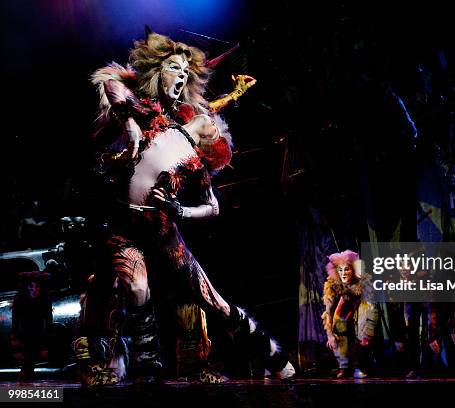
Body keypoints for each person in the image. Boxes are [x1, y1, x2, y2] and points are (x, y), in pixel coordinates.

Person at [74, 30, 294, 385]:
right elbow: (110, 80)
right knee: (136, 289)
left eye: (185, 73)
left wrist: (178, 210)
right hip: (124, 226)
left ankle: (274, 355)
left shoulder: (188, 146)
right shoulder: (139, 109)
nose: (180, 77)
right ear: (157, 72)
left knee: (211, 300)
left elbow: (212, 206)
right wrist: (130, 122)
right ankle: (147, 367)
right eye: (173, 69)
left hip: (163, 229)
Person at [322, 250, 379, 378]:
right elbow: (328, 312)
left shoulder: (363, 281)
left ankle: (360, 365)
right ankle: (344, 366)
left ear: (353, 269)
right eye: (340, 270)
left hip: (361, 308)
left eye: (346, 269)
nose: (343, 273)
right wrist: (330, 334)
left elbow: (372, 308)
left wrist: (368, 331)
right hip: (345, 309)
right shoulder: (332, 283)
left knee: (361, 324)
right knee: (338, 324)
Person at [11, 272, 53, 383]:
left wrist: (45, 344)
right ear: (26, 287)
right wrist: (15, 341)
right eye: (31, 286)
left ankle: (27, 385)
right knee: (27, 364)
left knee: (30, 364)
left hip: (38, 333)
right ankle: (24, 384)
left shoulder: (45, 299)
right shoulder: (20, 299)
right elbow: (15, 321)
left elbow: (49, 321)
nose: (34, 290)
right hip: (25, 334)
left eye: (37, 286)